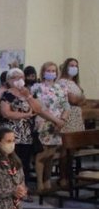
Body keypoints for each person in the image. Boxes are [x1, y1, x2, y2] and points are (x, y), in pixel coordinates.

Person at [31, 62, 69, 192]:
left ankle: (47, 180)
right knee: (43, 153)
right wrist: (55, 120)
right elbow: (38, 108)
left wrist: (62, 119)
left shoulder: (61, 88)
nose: (51, 73)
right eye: (48, 70)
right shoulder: (37, 88)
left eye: (53, 71)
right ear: (43, 72)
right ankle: (39, 182)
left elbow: (66, 106)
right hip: (43, 122)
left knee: (51, 154)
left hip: (57, 124)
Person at [0, 68, 39, 183]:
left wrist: (28, 96)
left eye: (20, 77)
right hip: (12, 132)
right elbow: (6, 113)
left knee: (24, 162)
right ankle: (11, 187)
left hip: (26, 133)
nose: (18, 80)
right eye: (14, 77)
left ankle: (23, 187)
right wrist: (25, 115)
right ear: (8, 81)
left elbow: (37, 109)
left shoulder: (28, 93)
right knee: (12, 161)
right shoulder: (7, 94)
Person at [57, 58, 86, 188]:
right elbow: (73, 99)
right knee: (65, 148)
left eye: (76, 66)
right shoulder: (61, 82)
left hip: (76, 117)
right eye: (71, 65)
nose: (74, 67)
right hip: (67, 117)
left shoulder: (75, 83)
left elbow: (83, 100)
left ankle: (70, 176)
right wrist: (79, 99)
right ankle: (62, 177)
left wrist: (79, 100)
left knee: (72, 150)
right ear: (66, 67)